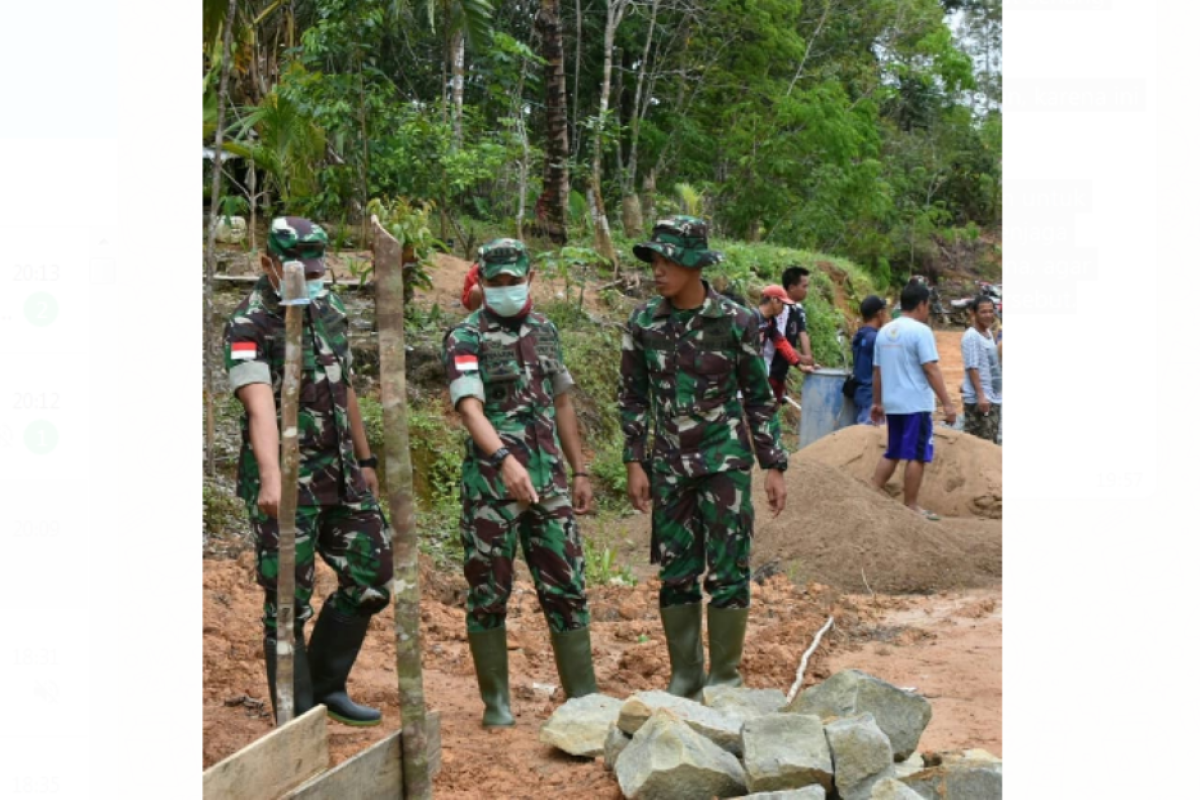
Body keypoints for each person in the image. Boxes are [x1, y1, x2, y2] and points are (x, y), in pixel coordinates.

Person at [224, 216, 392, 726]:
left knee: (372, 576)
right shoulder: (248, 324)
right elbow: (258, 408)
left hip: (341, 476)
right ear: (267, 264)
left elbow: (346, 388)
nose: (311, 278)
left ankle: (325, 687)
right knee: (287, 601)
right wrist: (272, 478)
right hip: (288, 482)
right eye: (300, 269)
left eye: (317, 269)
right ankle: (295, 720)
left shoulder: (330, 308)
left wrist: (365, 461)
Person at [619, 215, 788, 697]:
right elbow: (632, 396)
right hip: (670, 466)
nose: (657, 270)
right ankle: (686, 676)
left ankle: (725, 678)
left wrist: (772, 464)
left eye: (667, 260)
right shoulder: (644, 322)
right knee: (675, 572)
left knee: (730, 568)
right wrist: (635, 460)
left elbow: (759, 396)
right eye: (654, 260)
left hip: (724, 463)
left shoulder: (738, 321)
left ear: (694, 264)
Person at [442, 238, 597, 728]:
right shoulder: (465, 337)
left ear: (530, 278)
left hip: (550, 483)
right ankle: (497, 706)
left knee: (568, 588)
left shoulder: (546, 330)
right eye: (496, 282)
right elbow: (470, 407)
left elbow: (563, 402)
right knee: (489, 591)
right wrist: (505, 460)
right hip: (493, 490)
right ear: (482, 282)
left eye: (514, 281)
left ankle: (584, 701)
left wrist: (580, 469)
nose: (506, 289)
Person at [869, 280, 958, 521]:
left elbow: (877, 371)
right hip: (916, 403)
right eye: (928, 305)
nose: (928, 310)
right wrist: (948, 403)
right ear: (921, 304)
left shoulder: (884, 331)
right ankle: (911, 506)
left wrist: (877, 403)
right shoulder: (921, 331)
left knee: (893, 451)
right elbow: (930, 368)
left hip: (893, 403)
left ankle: (869, 495)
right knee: (917, 454)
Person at [767, 266, 817, 400]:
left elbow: (803, 332)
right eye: (804, 286)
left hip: (782, 369)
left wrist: (808, 359)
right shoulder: (778, 309)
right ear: (791, 287)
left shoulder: (798, 308)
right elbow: (780, 341)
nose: (807, 291)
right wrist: (801, 358)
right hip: (769, 368)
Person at [960, 295, 1002, 443]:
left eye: (991, 311)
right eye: (983, 312)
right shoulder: (971, 336)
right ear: (973, 313)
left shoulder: (988, 333)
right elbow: (972, 366)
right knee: (980, 444)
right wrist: (981, 395)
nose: (988, 315)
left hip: (992, 396)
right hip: (981, 401)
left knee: (991, 442)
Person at [755, 285, 803, 401]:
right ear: (774, 300)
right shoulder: (750, 318)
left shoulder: (770, 323)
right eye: (782, 303)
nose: (783, 308)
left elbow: (781, 343)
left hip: (758, 372)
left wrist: (798, 364)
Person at [849, 295, 888, 424]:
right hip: (871, 394)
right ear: (879, 314)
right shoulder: (877, 338)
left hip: (860, 391)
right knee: (871, 435)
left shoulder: (860, 335)